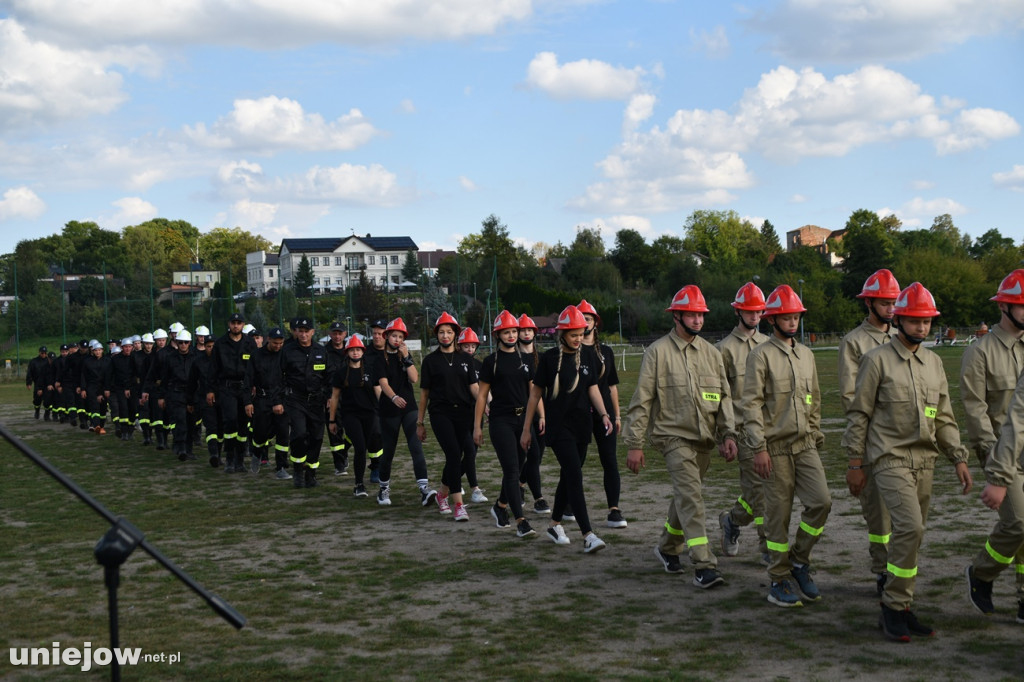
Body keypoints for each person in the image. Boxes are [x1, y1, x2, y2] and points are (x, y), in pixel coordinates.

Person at [843, 282, 972, 641]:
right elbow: (859, 414)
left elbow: (943, 416)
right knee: (909, 528)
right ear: (898, 319)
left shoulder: (933, 362)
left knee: (913, 537)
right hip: (889, 458)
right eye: (915, 321)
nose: (922, 328)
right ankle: (892, 605)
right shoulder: (877, 359)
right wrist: (855, 463)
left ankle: (902, 605)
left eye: (927, 321)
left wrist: (958, 459)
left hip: (925, 461)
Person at [624, 286, 735, 584]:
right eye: (692, 314)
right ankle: (704, 565)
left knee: (687, 497)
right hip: (672, 438)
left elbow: (724, 398)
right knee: (692, 497)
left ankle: (667, 547)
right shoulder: (657, 353)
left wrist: (728, 435)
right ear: (677, 315)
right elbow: (642, 400)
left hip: (704, 440)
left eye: (701, 314)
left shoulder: (712, 354)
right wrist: (634, 444)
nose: (698, 320)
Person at [744, 284, 831, 607]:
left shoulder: (806, 355)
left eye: (795, 316)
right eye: (785, 316)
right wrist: (759, 447)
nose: (792, 321)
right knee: (777, 516)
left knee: (821, 502)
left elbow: (815, 399)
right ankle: (778, 578)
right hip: (775, 448)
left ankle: (798, 559)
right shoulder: (761, 355)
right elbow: (751, 404)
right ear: (772, 320)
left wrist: (815, 432)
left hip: (805, 445)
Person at [522, 305, 610, 553]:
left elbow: (593, 388)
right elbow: (534, 395)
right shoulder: (549, 359)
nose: (579, 338)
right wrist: (526, 430)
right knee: (574, 475)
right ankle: (588, 534)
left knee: (568, 475)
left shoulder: (589, 356)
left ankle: (554, 524)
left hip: (582, 425)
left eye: (581, 333)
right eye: (573, 335)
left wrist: (604, 414)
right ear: (562, 334)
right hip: (558, 428)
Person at [962, 270, 1024, 620]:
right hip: (1003, 455)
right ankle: (982, 573)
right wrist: (991, 459)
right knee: (1018, 524)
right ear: (1003, 305)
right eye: (1021, 305)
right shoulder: (980, 351)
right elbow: (975, 408)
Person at [837, 268, 901, 596]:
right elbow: (851, 398)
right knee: (879, 513)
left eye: (895, 302)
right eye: (885, 302)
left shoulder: (901, 337)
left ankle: (900, 571)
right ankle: (882, 570)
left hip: (903, 441)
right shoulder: (854, 342)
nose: (892, 308)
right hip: (872, 439)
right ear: (869, 303)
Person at [716, 282, 770, 563]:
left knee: (764, 491)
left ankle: (732, 522)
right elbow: (721, 397)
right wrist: (725, 435)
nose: (754, 316)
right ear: (738, 311)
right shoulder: (723, 350)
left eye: (758, 311)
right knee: (760, 491)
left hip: (771, 430)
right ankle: (769, 549)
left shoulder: (770, 346)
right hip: (743, 432)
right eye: (748, 311)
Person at [474, 311, 536, 538]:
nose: (511, 336)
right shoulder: (490, 362)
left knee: (520, 465)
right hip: (501, 420)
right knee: (511, 469)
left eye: (514, 331)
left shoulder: (527, 359)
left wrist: (542, 417)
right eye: (506, 332)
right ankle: (521, 521)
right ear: (497, 335)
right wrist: (477, 426)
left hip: (523, 420)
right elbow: (481, 396)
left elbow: (533, 393)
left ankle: (500, 505)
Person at [417, 312, 479, 522]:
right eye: (441, 332)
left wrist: (487, 405)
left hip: (463, 413)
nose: (445, 335)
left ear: (455, 334)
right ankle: (459, 505)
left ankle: (442, 494)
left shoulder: (465, 359)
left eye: (449, 332)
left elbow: (474, 387)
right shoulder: (430, 361)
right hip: (440, 413)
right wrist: (420, 422)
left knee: (463, 455)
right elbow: (424, 394)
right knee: (453, 454)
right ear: (437, 334)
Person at [376, 317, 437, 507]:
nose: (397, 339)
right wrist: (393, 397)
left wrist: (407, 357)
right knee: (389, 451)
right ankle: (383, 489)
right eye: (393, 336)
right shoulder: (379, 359)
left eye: (400, 336)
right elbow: (383, 383)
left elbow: (414, 379)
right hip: (389, 409)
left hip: (409, 408)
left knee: (416, 447)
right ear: (387, 337)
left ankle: (424, 490)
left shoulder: (404, 356)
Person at [578, 300, 627, 529]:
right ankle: (568, 503)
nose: (584, 323)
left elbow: (612, 387)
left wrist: (616, 416)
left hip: (604, 415)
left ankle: (614, 509)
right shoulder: (571, 351)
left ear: (595, 323)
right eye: (580, 319)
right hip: (578, 415)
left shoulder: (605, 352)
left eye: (587, 319)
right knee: (575, 462)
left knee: (610, 461)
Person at [329, 335, 382, 499]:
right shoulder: (341, 373)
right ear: (347, 352)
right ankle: (359, 484)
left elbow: (378, 391)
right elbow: (335, 397)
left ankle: (374, 470)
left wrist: (385, 410)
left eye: (358, 350)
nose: (355, 353)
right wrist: (332, 420)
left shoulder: (370, 370)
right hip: (350, 415)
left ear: (362, 352)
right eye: (352, 350)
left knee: (370, 442)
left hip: (370, 414)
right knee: (360, 448)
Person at [282, 317, 332, 488]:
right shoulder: (288, 351)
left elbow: (329, 376)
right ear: (296, 332)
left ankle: (311, 473)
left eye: (306, 331)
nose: (303, 334)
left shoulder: (321, 351)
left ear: (312, 332)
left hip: (317, 401)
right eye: (300, 331)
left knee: (317, 437)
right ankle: (297, 471)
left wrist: (329, 396)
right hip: (296, 400)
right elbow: (278, 376)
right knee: (299, 434)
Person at [206, 313, 256, 473]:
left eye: (239, 323)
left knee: (243, 424)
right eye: (233, 323)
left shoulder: (250, 343)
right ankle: (229, 459)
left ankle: (240, 460)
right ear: (229, 324)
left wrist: (255, 385)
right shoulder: (220, 344)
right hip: (226, 388)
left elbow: (256, 366)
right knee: (230, 421)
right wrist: (210, 390)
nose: (236, 325)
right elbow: (213, 369)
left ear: (243, 324)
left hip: (245, 388)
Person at [516, 313, 550, 515]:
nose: (526, 333)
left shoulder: (542, 357)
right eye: (523, 330)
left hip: (542, 413)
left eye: (529, 330)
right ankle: (539, 498)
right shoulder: (515, 357)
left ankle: (520, 484)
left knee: (536, 457)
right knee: (533, 453)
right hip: (524, 414)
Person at [248, 326, 292, 480]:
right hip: (262, 400)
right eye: (275, 343)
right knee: (260, 433)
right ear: (268, 339)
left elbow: (287, 380)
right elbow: (249, 379)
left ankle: (281, 467)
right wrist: (248, 402)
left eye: (281, 343)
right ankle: (257, 453)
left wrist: (280, 401)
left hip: (281, 400)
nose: (278, 346)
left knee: (283, 434)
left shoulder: (285, 355)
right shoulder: (256, 356)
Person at [156, 330, 201, 460]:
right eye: (180, 342)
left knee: (191, 423)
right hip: (176, 393)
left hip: (192, 394)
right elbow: (164, 379)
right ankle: (181, 449)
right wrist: (161, 396)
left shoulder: (196, 357)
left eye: (185, 342)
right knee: (180, 421)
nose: (182, 345)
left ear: (190, 343)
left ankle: (189, 450)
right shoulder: (170, 358)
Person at [457, 326, 488, 503]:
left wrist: (489, 406)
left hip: (476, 414)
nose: (470, 349)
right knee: (466, 450)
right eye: (466, 346)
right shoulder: (455, 364)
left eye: (472, 346)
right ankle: (475, 488)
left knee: (471, 452)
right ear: (460, 346)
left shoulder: (479, 366)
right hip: (459, 413)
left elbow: (485, 389)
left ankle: (452, 479)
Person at [323, 321, 351, 476]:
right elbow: (322, 377)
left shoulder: (351, 350)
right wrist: (328, 396)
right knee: (335, 431)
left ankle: (345, 450)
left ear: (345, 334)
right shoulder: (323, 352)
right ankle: (339, 465)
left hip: (351, 396)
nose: (337, 336)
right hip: (332, 398)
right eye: (334, 333)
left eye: (340, 333)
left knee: (355, 430)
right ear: (330, 334)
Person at [80, 340, 112, 434]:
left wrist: (107, 389)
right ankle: (96, 425)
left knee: (102, 409)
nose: (97, 352)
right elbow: (83, 376)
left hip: (103, 387)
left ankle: (101, 425)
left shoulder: (107, 361)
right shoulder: (87, 362)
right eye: (95, 350)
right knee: (94, 407)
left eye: (99, 350)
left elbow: (108, 376)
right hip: (91, 387)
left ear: (102, 350)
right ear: (92, 351)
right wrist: (83, 389)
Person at [26, 346, 53, 421]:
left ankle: (47, 414)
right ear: (39, 352)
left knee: (47, 400)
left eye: (45, 353)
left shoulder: (49, 361)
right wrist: (29, 383)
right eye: (42, 353)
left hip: (47, 384)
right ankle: (37, 411)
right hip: (37, 383)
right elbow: (29, 372)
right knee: (37, 400)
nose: (43, 354)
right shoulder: (34, 361)